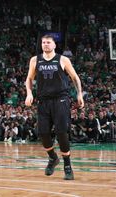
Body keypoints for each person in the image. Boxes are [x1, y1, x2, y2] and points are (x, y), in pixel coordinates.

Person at [24, 33, 85, 181]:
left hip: (61, 99)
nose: (45, 44)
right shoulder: (35, 60)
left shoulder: (63, 59)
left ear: (54, 45)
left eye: (48, 42)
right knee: (42, 132)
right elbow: (29, 79)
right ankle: (53, 158)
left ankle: (68, 166)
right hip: (43, 100)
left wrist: (79, 94)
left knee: (61, 132)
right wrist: (29, 93)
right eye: (43, 42)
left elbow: (75, 78)